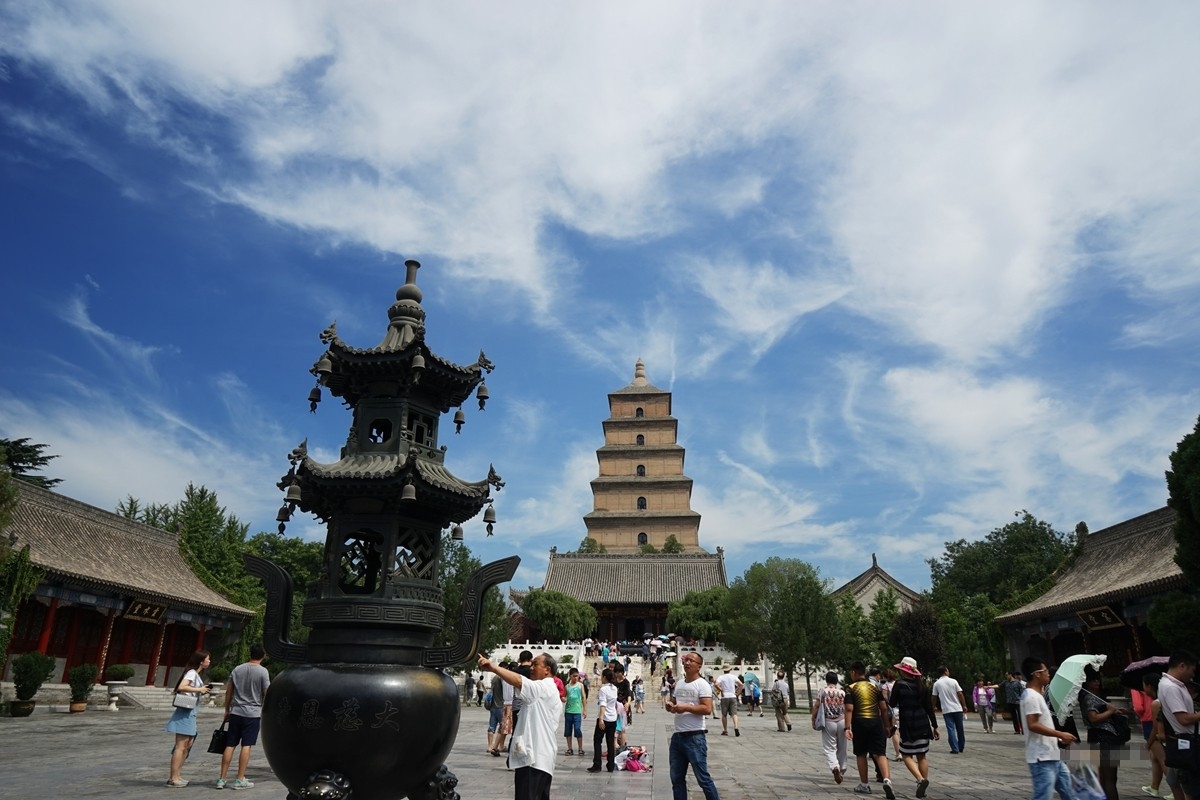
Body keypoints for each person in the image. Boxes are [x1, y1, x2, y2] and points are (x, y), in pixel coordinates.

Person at [477, 651, 562, 800]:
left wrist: (493, 667)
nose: (531, 667)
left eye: (535, 664)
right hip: (541, 759)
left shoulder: (544, 687)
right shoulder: (548, 690)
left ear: (547, 669)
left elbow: (519, 681)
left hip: (534, 759)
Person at [1020, 656, 1080, 800]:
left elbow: (1042, 723)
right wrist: (1060, 733)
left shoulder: (1038, 695)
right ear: (1037, 674)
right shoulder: (1031, 697)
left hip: (1052, 755)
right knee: (1043, 796)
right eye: (1046, 671)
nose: (1048, 674)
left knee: (1069, 793)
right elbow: (1032, 724)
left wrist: (1058, 738)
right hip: (1041, 758)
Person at [666, 651, 720, 800]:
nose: (687, 663)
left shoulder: (702, 684)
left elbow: (707, 709)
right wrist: (671, 705)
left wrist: (686, 708)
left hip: (695, 737)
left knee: (703, 779)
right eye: (686, 660)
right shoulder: (680, 683)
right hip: (678, 737)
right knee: (676, 779)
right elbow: (675, 702)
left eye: (691, 661)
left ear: (699, 666)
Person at [216, 643, 270, 790]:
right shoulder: (263, 672)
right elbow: (267, 692)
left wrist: (227, 710)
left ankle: (222, 778)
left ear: (250, 654)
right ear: (263, 656)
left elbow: (229, 692)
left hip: (236, 712)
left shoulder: (237, 669)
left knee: (230, 744)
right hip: (252, 714)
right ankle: (240, 779)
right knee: (246, 745)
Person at [890, 656, 938, 799]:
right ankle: (923, 785)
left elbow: (892, 703)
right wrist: (935, 726)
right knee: (922, 755)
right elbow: (930, 708)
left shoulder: (899, 684)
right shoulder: (922, 686)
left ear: (903, 671)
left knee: (905, 754)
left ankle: (920, 780)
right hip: (923, 722)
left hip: (908, 723)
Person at [845, 661, 895, 798]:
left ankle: (864, 785)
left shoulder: (850, 688)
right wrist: (886, 726)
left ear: (854, 673)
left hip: (859, 723)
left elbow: (849, 709)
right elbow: (883, 708)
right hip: (876, 722)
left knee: (861, 754)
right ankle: (887, 780)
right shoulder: (875, 687)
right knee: (880, 753)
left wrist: (847, 727)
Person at [1080, 665, 1129, 800]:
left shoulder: (1093, 696)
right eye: (1092, 680)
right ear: (1086, 682)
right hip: (1104, 738)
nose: (1096, 683)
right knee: (1110, 778)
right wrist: (1110, 711)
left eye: (1097, 680)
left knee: (1105, 776)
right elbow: (1094, 718)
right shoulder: (1089, 697)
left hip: (1100, 738)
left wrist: (1116, 710)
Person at [1156, 650, 1200, 800]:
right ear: (1182, 666)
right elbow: (1183, 719)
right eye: (1192, 670)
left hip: (1186, 741)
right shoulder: (1171, 687)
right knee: (1192, 790)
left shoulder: (1175, 685)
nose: (1192, 675)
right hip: (1186, 743)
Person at [165, 650, 212, 788]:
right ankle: (173, 778)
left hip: (191, 712)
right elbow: (181, 687)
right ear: (201, 660)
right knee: (180, 746)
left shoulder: (196, 674)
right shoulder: (192, 673)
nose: (209, 661)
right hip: (185, 712)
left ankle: (177, 775)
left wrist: (201, 689)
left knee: (187, 745)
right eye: (208, 659)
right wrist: (199, 690)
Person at [1140, 673, 1178, 800]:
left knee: (1163, 761)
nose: (1144, 689)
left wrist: (1149, 742)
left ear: (1149, 686)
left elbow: (1155, 728)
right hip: (1168, 735)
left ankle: (1175, 789)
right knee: (1155, 759)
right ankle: (1154, 787)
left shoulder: (1156, 704)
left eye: (1144, 686)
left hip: (1159, 737)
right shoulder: (1165, 698)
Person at [814, 671, 847, 783]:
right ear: (837, 680)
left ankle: (834, 767)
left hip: (828, 722)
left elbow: (816, 706)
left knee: (829, 748)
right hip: (842, 721)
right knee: (842, 747)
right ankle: (842, 770)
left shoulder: (822, 691)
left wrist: (813, 719)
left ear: (827, 680)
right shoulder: (842, 692)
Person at [588, 668, 619, 773]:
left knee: (597, 741)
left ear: (605, 677)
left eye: (601, 676)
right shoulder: (614, 688)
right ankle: (610, 765)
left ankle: (597, 764)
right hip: (613, 718)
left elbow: (603, 705)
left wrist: (600, 719)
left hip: (604, 718)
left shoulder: (603, 689)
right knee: (610, 742)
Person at [931, 666, 967, 754]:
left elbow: (934, 697)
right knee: (960, 728)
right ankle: (961, 746)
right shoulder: (953, 681)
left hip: (946, 709)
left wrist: (933, 706)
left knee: (950, 729)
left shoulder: (937, 683)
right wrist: (964, 705)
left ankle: (955, 748)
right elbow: (960, 694)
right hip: (957, 708)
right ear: (946, 671)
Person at [564, 667, 586, 757]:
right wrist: (563, 699)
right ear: (570, 676)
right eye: (574, 676)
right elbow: (565, 697)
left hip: (577, 711)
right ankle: (570, 748)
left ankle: (580, 748)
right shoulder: (567, 687)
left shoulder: (580, 685)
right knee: (568, 731)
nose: (576, 678)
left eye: (577, 676)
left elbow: (584, 697)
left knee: (577, 729)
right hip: (568, 711)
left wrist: (584, 709)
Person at [716, 666, 742, 737]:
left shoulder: (721, 677)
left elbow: (716, 684)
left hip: (725, 697)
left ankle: (725, 730)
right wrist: (738, 693)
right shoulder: (733, 677)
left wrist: (721, 689)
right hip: (732, 696)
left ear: (723, 670)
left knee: (724, 714)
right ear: (730, 670)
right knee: (734, 714)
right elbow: (741, 685)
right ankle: (736, 727)